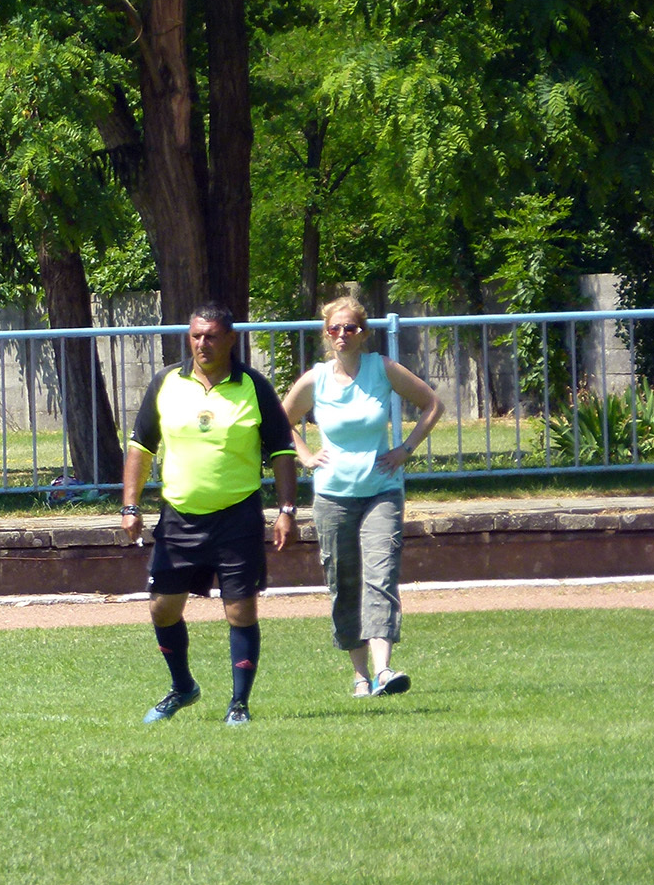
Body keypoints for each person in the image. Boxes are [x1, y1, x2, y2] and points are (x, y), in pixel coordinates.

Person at [121, 301, 299, 726]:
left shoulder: (254, 386)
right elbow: (141, 446)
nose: (203, 344)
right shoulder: (166, 382)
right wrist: (130, 505)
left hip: (237, 517)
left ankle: (239, 704)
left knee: (240, 611)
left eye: (212, 336)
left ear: (231, 339)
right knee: (162, 609)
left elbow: (281, 451)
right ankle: (183, 687)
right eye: (196, 336)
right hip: (179, 517)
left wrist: (287, 510)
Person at [281, 296, 443, 698]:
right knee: (344, 582)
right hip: (333, 496)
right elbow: (280, 420)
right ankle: (360, 675)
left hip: (381, 492)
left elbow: (432, 404)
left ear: (363, 333)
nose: (342, 334)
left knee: (381, 576)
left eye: (350, 328)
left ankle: (383, 670)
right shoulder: (316, 379)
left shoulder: (381, 368)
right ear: (326, 334)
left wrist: (405, 449)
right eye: (334, 328)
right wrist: (305, 455)